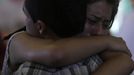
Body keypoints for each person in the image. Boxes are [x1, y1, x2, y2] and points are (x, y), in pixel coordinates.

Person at [2, 0, 134, 75]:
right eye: (92, 20)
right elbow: (55, 53)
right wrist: (107, 41)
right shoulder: (21, 43)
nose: (99, 32)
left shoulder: (96, 53)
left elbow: (126, 61)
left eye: (106, 24)